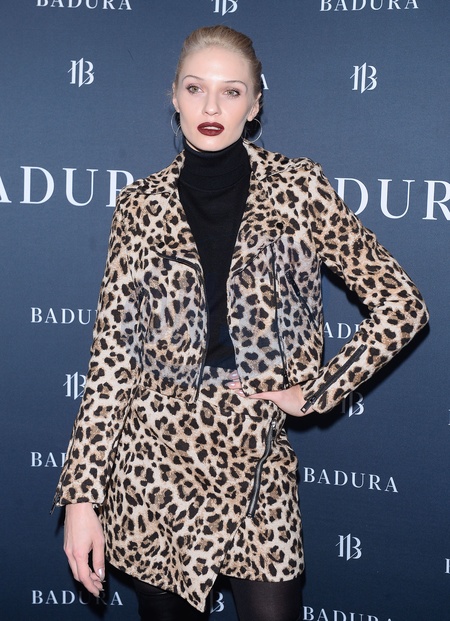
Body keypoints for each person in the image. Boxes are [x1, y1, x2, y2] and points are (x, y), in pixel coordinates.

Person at [53, 25, 429, 621]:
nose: (211, 107)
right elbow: (112, 360)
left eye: (231, 92)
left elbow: (401, 304)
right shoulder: (138, 206)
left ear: (255, 105)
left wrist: (318, 391)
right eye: (195, 88)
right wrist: (81, 498)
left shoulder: (299, 188)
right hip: (154, 471)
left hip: (257, 460)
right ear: (174, 96)